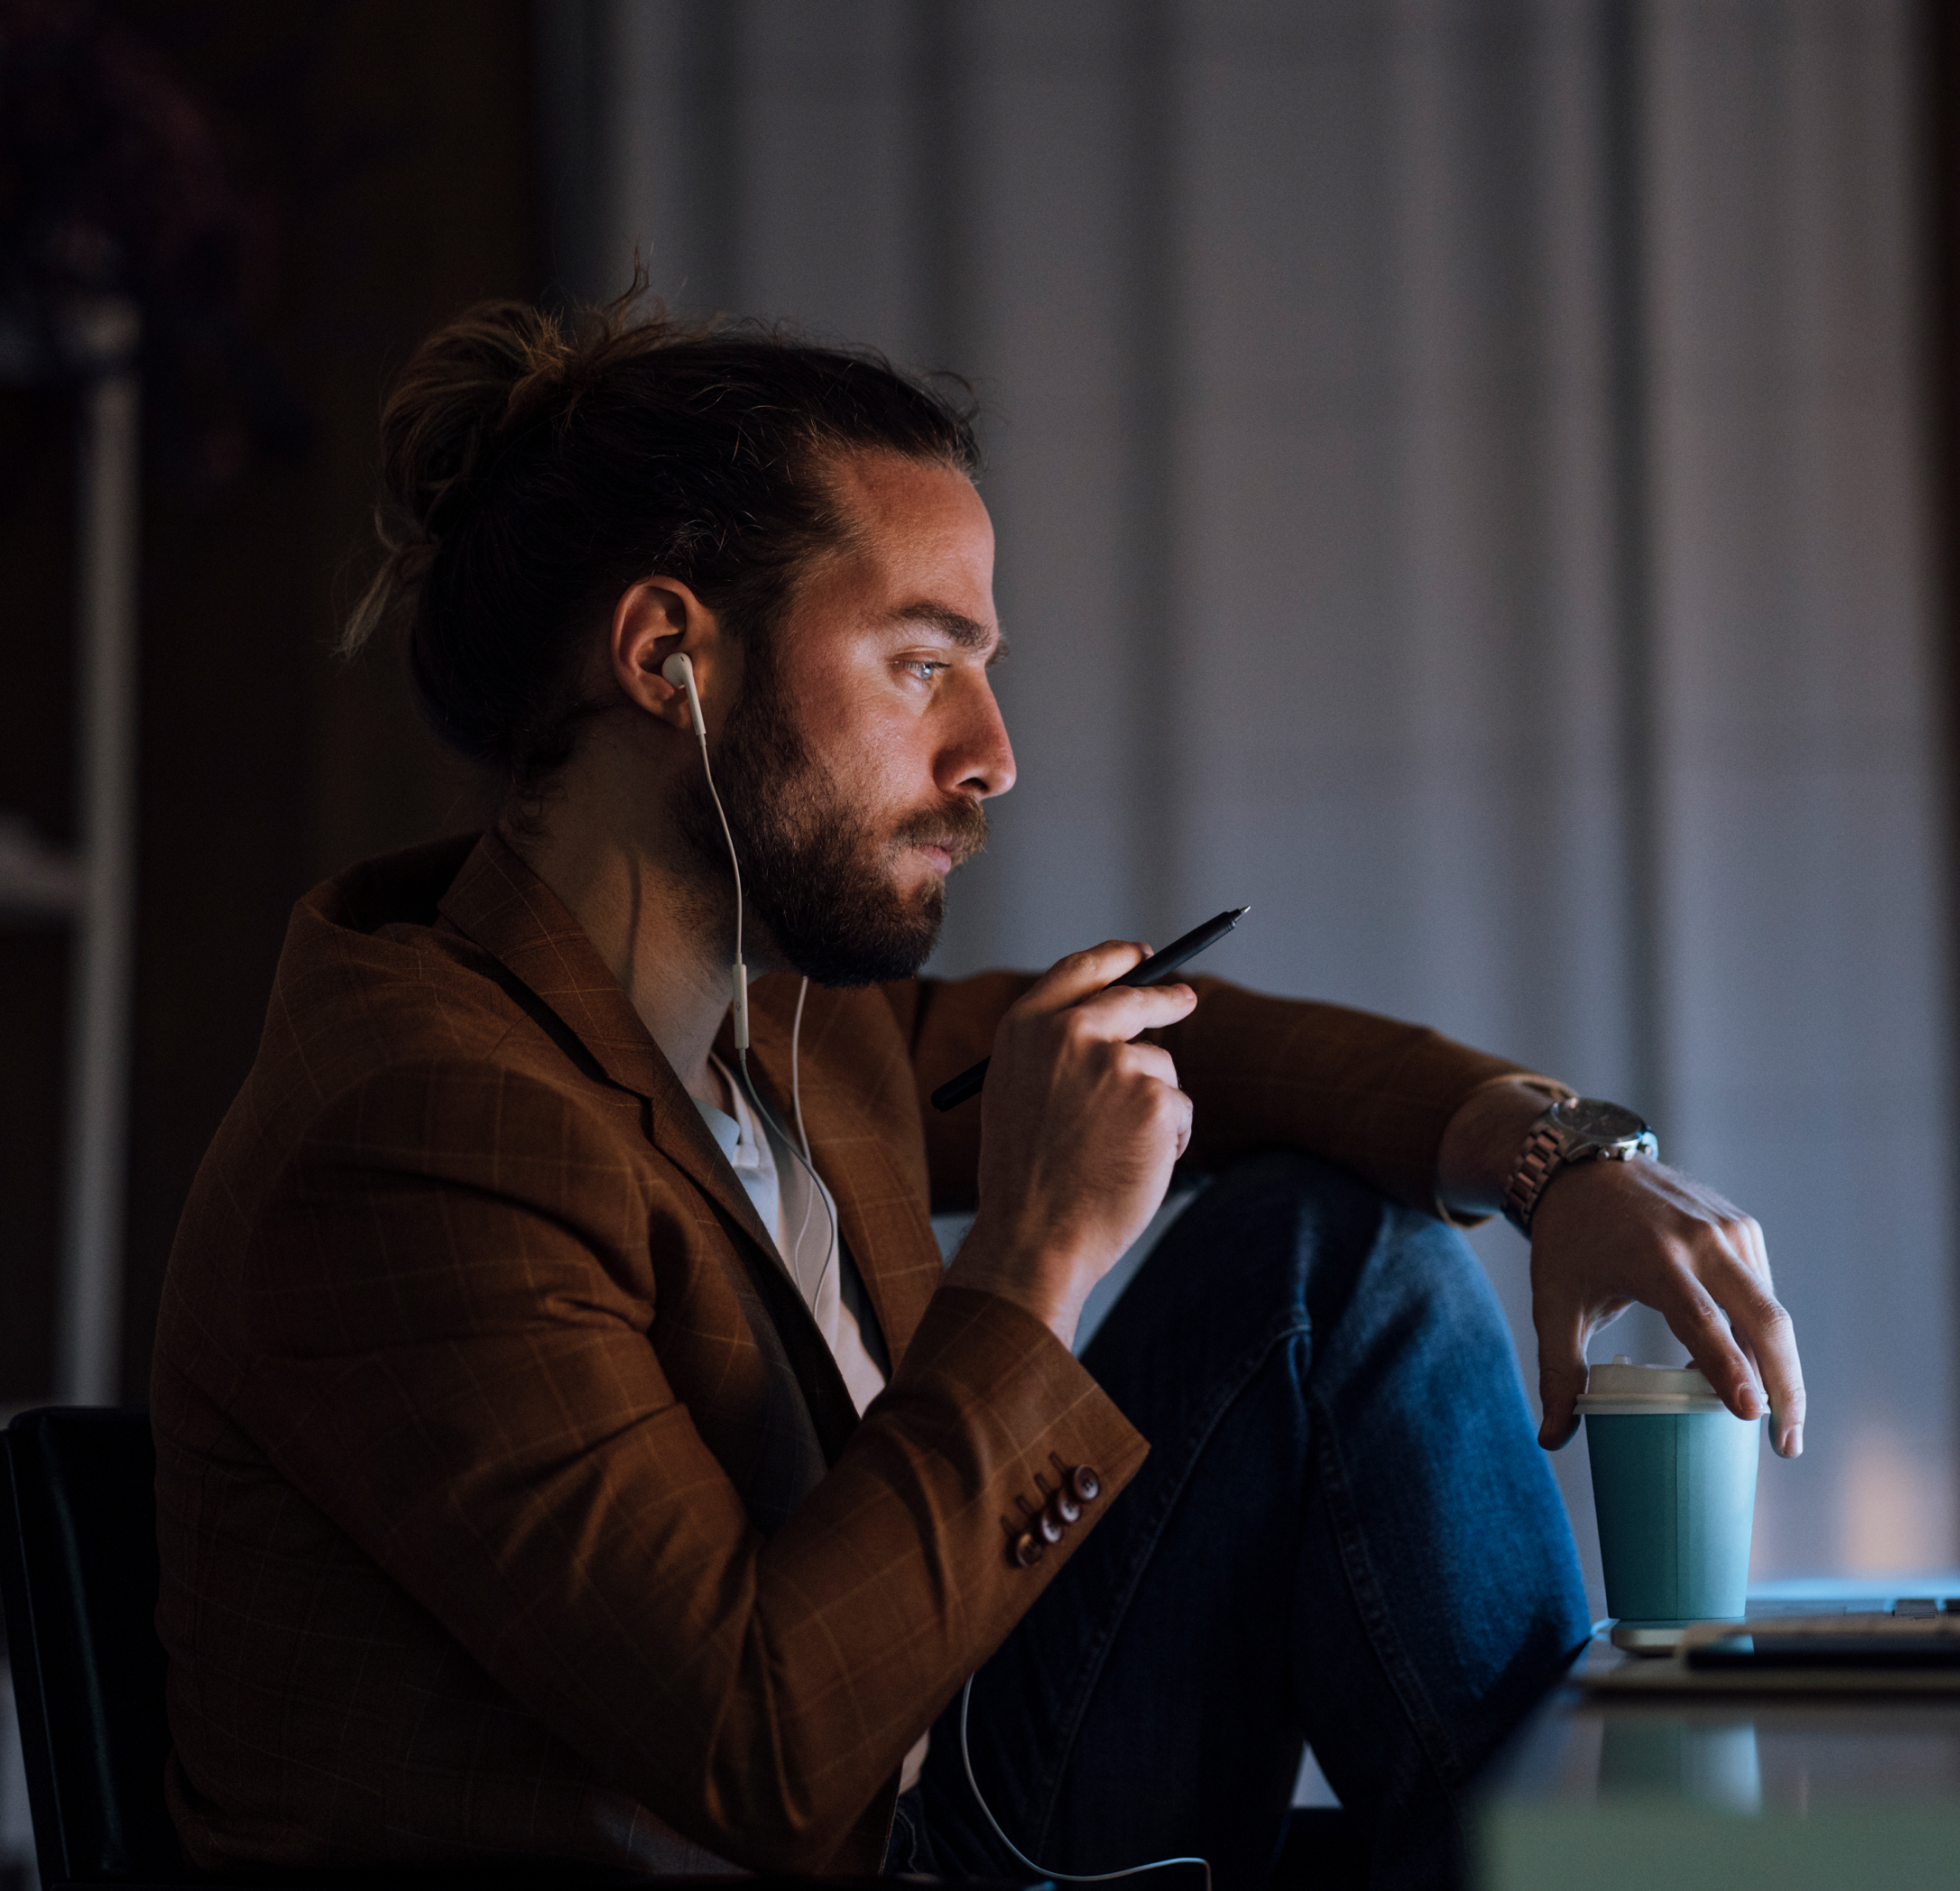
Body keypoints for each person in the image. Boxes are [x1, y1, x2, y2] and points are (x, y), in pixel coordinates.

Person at [150, 291, 1805, 1891]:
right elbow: (769, 1760)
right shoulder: (425, 1129)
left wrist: (1559, 1158)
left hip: (954, 1812)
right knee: (1335, 1275)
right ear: (670, 657)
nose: (994, 752)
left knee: (1332, 1258)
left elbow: (1189, 1046)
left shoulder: (775, 1031)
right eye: (920, 663)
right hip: (815, 1832)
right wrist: (1034, 1254)